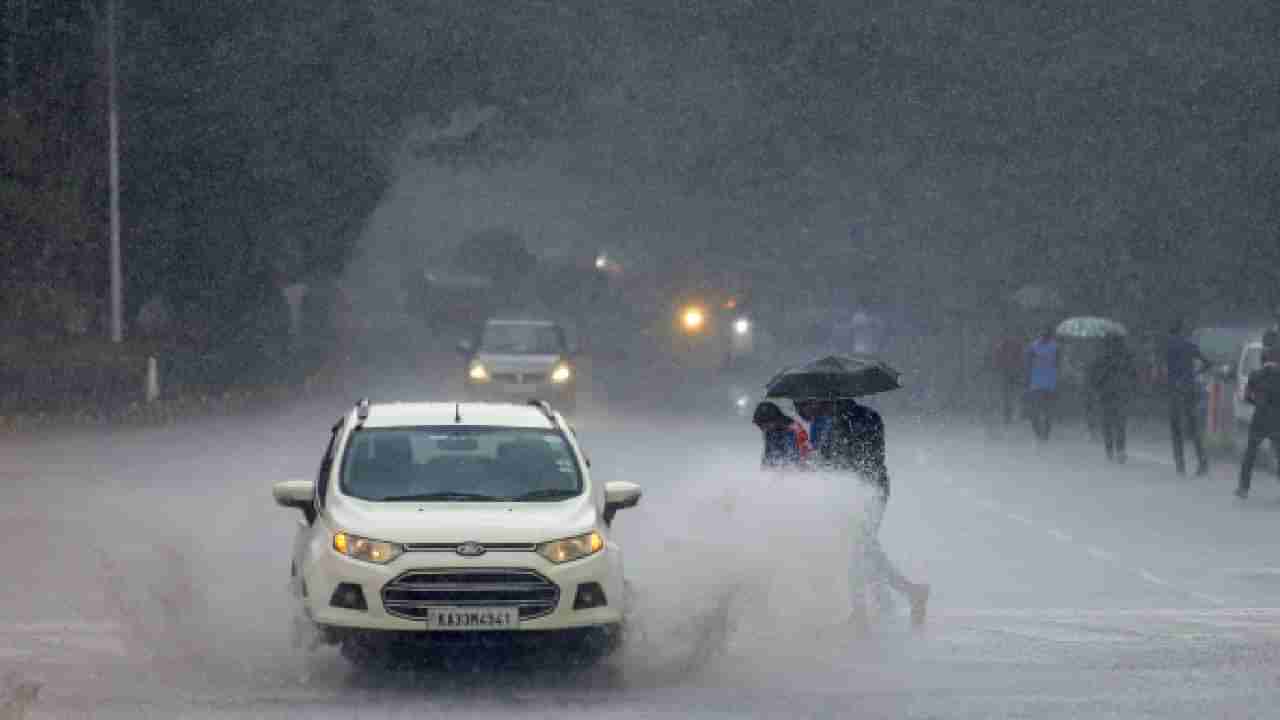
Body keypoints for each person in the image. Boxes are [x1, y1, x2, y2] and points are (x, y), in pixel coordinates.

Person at [821, 397, 929, 629]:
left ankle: (902, 596)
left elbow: (839, 459)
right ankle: (908, 593)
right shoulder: (869, 416)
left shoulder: (842, 423)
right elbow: (868, 453)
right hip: (874, 487)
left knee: (858, 551)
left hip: (862, 491)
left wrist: (829, 455)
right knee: (864, 549)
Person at [1165, 322, 1210, 476]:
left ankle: (1180, 465)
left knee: (1176, 428)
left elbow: (1163, 369)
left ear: (1170, 333)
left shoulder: (1168, 347)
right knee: (1193, 427)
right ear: (1182, 331)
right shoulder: (1189, 345)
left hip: (1174, 391)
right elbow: (1207, 362)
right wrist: (1195, 373)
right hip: (1189, 389)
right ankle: (1203, 462)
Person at [1236, 348, 1280, 499]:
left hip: (1259, 419)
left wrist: (1257, 404)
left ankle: (1243, 488)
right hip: (1277, 421)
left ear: (1262, 360)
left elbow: (1247, 396)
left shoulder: (1255, 375)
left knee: (1250, 454)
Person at [1087, 333, 1137, 463]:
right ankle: (1119, 450)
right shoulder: (1125, 358)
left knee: (1108, 423)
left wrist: (1096, 388)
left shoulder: (1101, 358)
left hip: (1106, 394)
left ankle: (1110, 450)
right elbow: (1133, 375)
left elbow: (1093, 377)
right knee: (1120, 423)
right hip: (1120, 393)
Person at [1024, 327, 1060, 442]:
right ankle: (1044, 434)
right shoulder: (1055, 347)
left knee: (1036, 411)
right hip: (1049, 383)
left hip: (1038, 383)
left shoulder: (1033, 346)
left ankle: (1040, 434)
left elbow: (1028, 364)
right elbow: (1058, 364)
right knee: (1047, 411)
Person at [751, 401, 810, 469]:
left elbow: (796, 456)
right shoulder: (770, 431)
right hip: (779, 469)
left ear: (774, 419)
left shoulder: (793, 430)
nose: (762, 428)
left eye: (763, 425)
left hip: (796, 470)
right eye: (760, 425)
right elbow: (769, 453)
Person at [992, 334, 1025, 425]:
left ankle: (1009, 415)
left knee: (1007, 396)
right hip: (1011, 373)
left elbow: (997, 360)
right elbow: (1021, 359)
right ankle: (1011, 414)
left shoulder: (1002, 345)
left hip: (1007, 373)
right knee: (1011, 395)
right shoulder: (1016, 345)